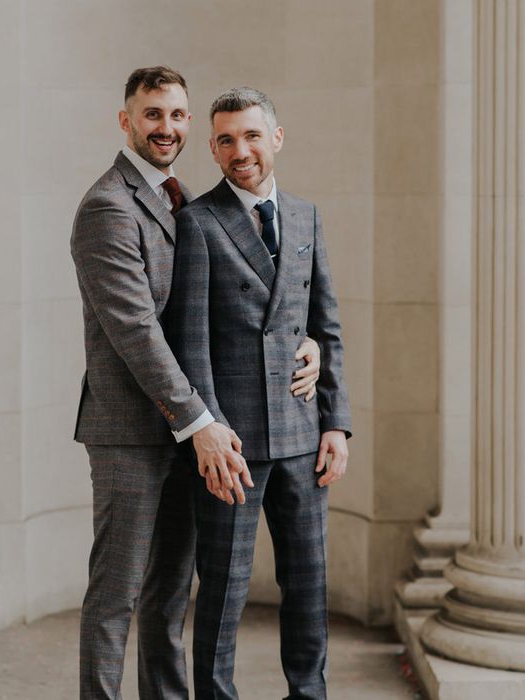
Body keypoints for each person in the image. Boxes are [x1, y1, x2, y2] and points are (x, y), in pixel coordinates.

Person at [70, 67, 320, 700]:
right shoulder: (108, 204)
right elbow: (137, 332)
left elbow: (218, 315)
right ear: (125, 121)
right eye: (153, 115)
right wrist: (201, 420)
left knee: (169, 595)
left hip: (187, 432)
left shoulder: (175, 199)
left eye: (177, 115)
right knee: (117, 594)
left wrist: (305, 341)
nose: (166, 127)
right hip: (132, 428)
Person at [165, 86, 352, 700]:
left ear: (275, 137)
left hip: (303, 436)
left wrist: (335, 424)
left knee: (307, 582)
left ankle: (308, 692)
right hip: (234, 445)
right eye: (224, 139)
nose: (238, 149)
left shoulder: (305, 216)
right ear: (214, 150)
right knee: (222, 587)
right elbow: (191, 344)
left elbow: (325, 326)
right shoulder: (197, 222)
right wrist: (210, 439)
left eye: (250, 135)